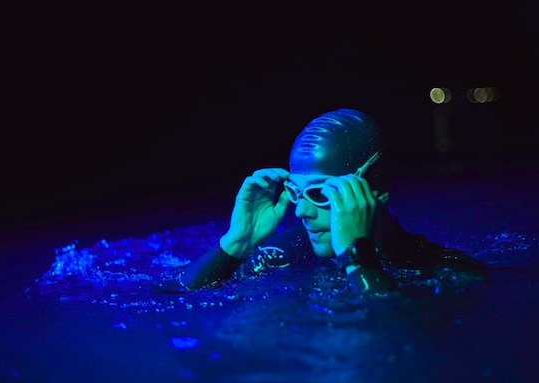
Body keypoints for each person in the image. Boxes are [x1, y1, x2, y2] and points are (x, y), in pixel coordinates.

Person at [173, 108, 487, 295]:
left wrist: (356, 258)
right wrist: (235, 243)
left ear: (375, 189)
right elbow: (175, 295)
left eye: (321, 193)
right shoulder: (294, 250)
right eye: (296, 192)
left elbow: (396, 345)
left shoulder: (451, 273)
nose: (301, 211)